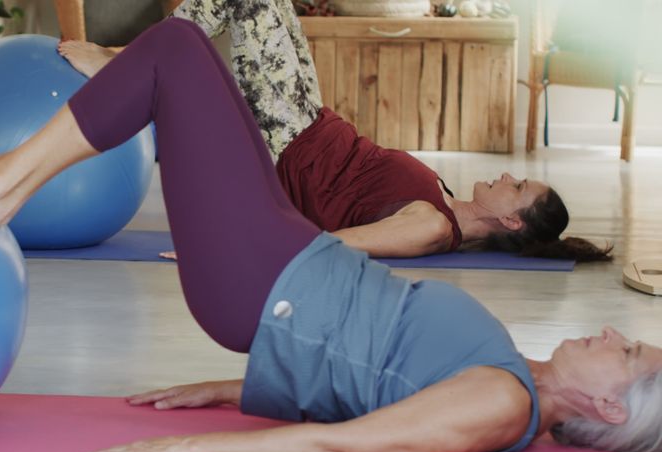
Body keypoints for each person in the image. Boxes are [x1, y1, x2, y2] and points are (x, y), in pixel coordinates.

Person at [0, 19, 662, 452]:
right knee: (193, 61)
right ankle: (1, 170)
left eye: (624, 353)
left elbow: (354, 444)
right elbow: (375, 379)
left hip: (270, 281)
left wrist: (199, 448)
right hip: (284, 262)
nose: (609, 332)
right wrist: (237, 390)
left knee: (176, 49)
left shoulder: (504, 403)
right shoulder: (510, 373)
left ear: (605, 404)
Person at [57, 0, 612, 261]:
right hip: (311, 118)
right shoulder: (445, 203)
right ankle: (134, 60)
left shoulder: (431, 228)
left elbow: (329, 245)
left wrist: (229, 248)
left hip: (288, 143)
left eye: (519, 187)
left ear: (511, 218)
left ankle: (126, 61)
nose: (510, 175)